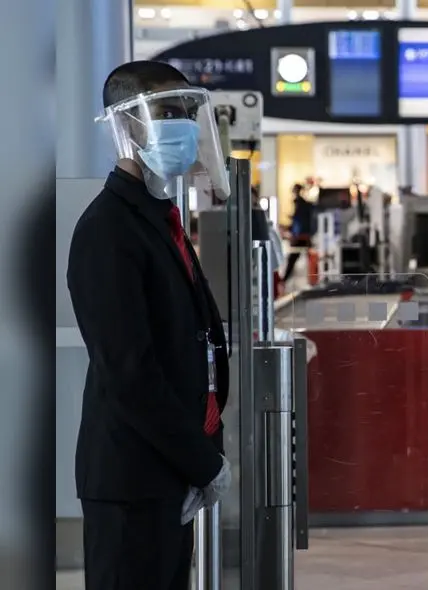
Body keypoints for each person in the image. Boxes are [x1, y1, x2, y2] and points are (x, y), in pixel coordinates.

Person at [65, 61, 232, 590]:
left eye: (186, 110)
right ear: (125, 124)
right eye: (165, 110)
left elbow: (191, 341)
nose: (181, 122)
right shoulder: (107, 231)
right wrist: (202, 462)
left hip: (166, 469)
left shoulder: (160, 218)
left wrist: (203, 450)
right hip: (133, 476)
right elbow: (129, 371)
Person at [282, 183, 316, 283]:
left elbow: (299, 222)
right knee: (297, 259)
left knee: (293, 259)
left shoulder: (301, 205)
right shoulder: (303, 205)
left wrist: (293, 233)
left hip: (301, 236)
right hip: (303, 236)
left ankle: (284, 280)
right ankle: (285, 280)